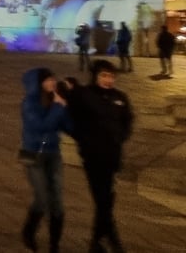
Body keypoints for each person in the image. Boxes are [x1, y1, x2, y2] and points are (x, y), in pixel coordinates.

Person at [64, 59, 133, 253]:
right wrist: (83, 139)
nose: (108, 80)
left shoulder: (120, 97)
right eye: (104, 75)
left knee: (105, 201)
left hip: (112, 156)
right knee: (104, 200)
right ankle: (113, 241)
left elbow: (128, 121)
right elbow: (70, 119)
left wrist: (120, 137)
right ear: (95, 76)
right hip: (93, 157)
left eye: (111, 76)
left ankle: (96, 243)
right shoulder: (84, 95)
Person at [19, 67, 71, 252]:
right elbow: (40, 126)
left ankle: (54, 244)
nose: (52, 83)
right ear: (38, 83)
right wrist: (58, 107)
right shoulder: (29, 103)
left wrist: (69, 105)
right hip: (33, 154)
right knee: (41, 198)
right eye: (47, 80)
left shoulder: (54, 100)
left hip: (53, 154)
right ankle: (29, 232)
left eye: (53, 79)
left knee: (57, 199)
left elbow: (68, 126)